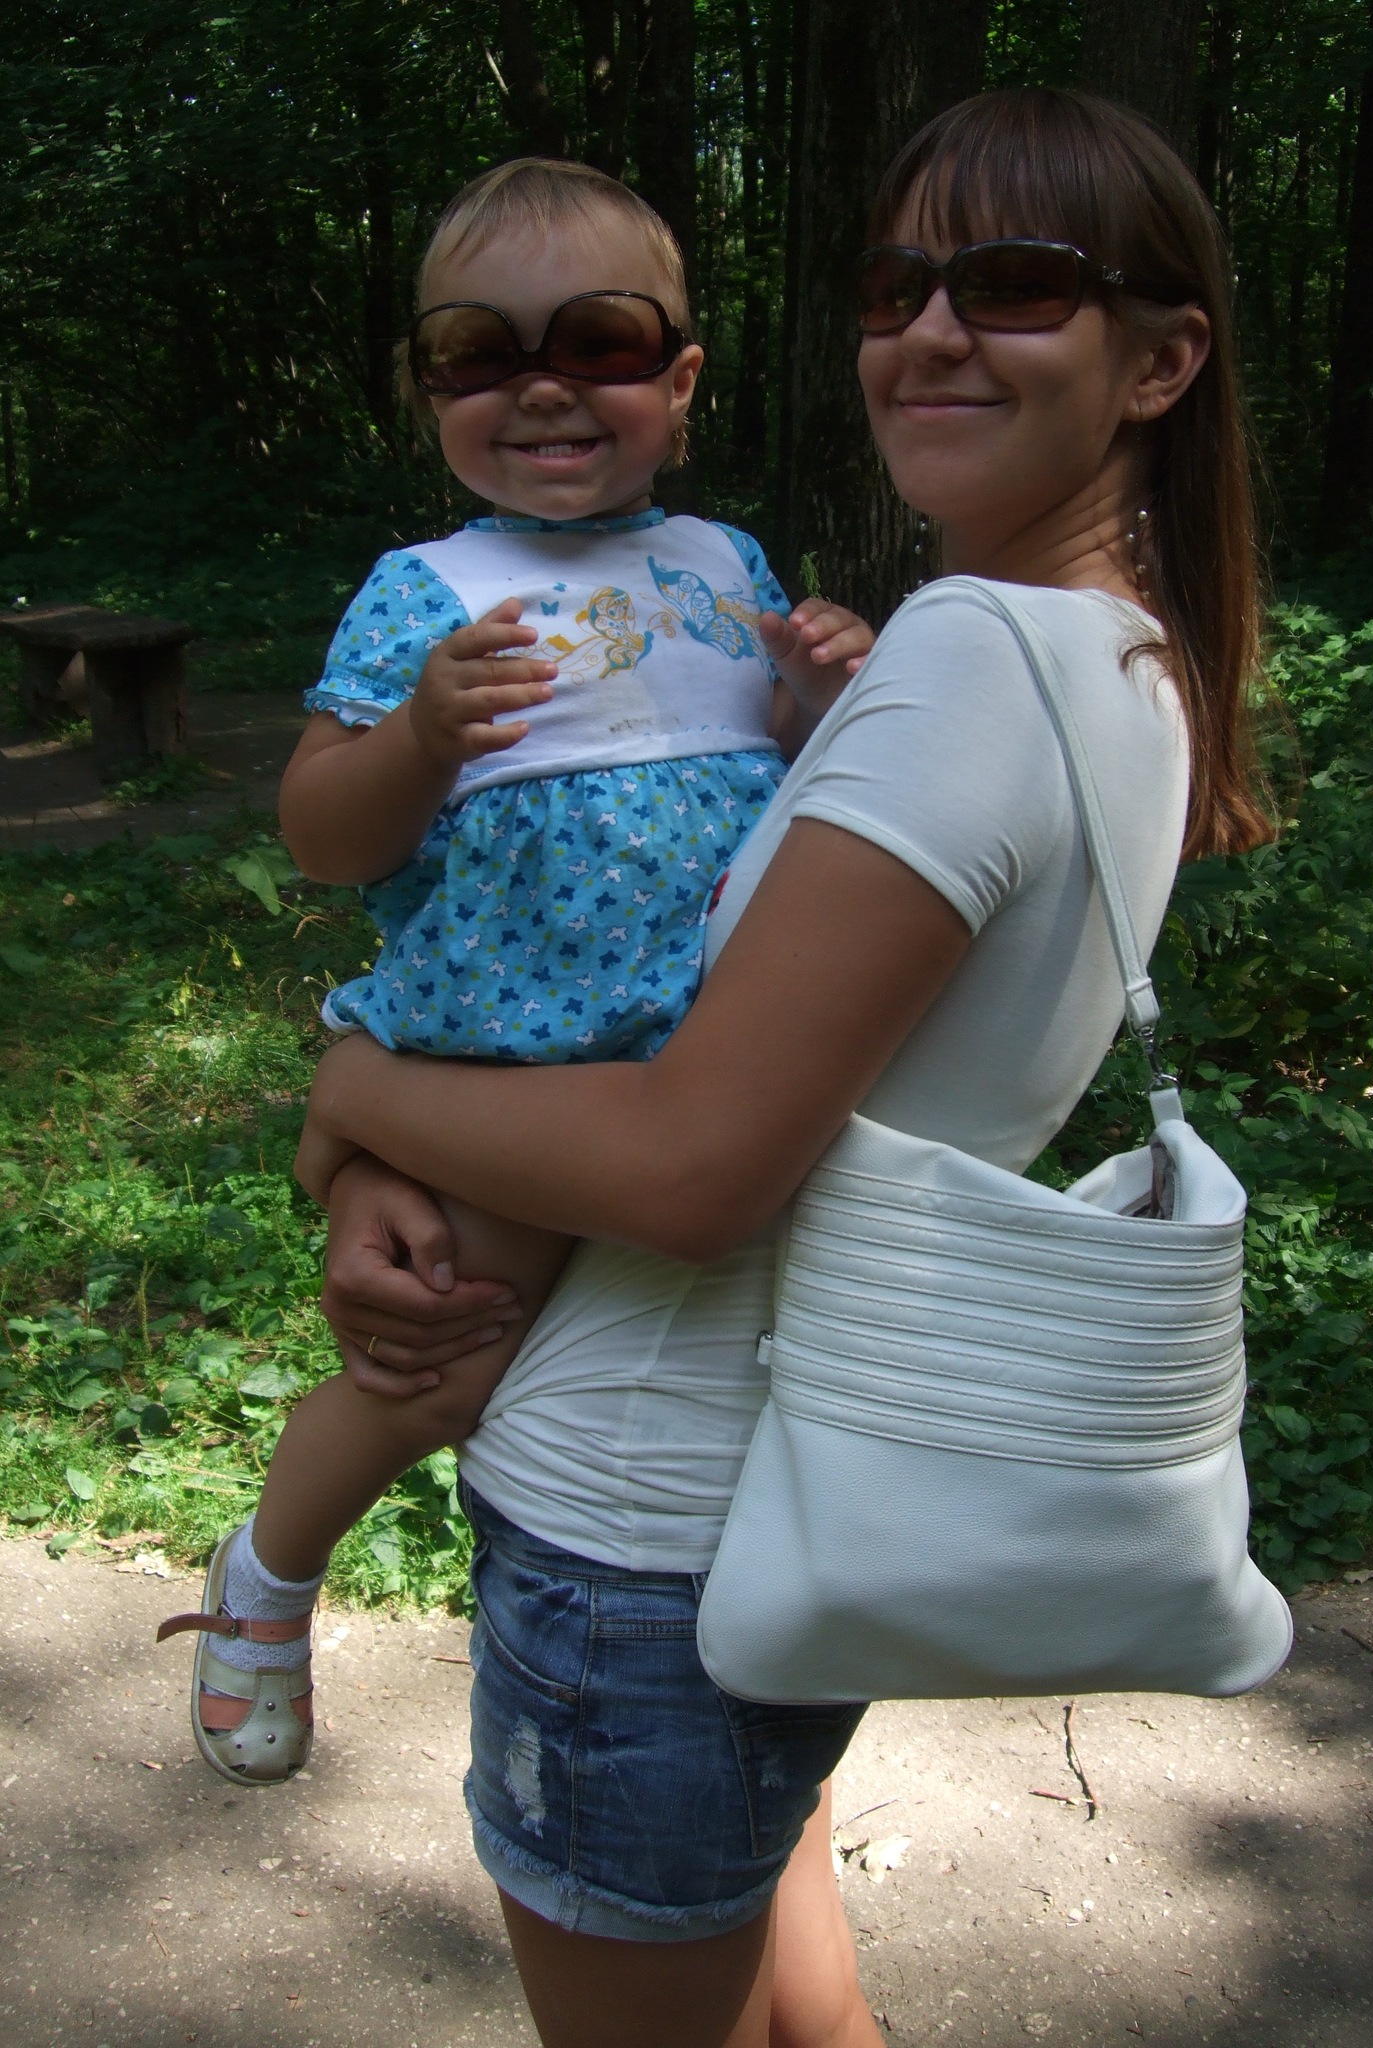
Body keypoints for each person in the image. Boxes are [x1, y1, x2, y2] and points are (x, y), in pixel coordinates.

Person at [293, 88, 1273, 2048]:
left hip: (641, 1528)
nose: (932, 330)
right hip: (778, 1495)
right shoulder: (1123, 657)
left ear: (1162, 361)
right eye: (898, 286)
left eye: (1015, 285)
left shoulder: (969, 657)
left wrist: (353, 1100)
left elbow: (690, 1165)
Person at [157, 158, 872, 1789]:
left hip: (698, 1060)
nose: (541, 385)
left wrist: (821, 694)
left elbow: (779, 767)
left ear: (680, 382)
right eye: (479, 353)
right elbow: (324, 839)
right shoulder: (425, 594)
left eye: (599, 340)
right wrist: (417, 735)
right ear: (429, 392)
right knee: (433, 1368)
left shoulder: (726, 558)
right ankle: (266, 1577)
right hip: (500, 1080)